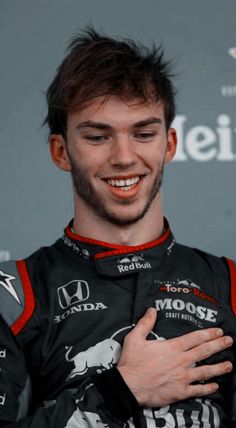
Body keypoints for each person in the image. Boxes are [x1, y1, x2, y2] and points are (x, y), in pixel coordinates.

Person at [0, 28, 235, 428]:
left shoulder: (229, 284)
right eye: (97, 136)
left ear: (169, 144)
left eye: (143, 134)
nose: (124, 157)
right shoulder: (14, 297)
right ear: (61, 151)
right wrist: (118, 392)